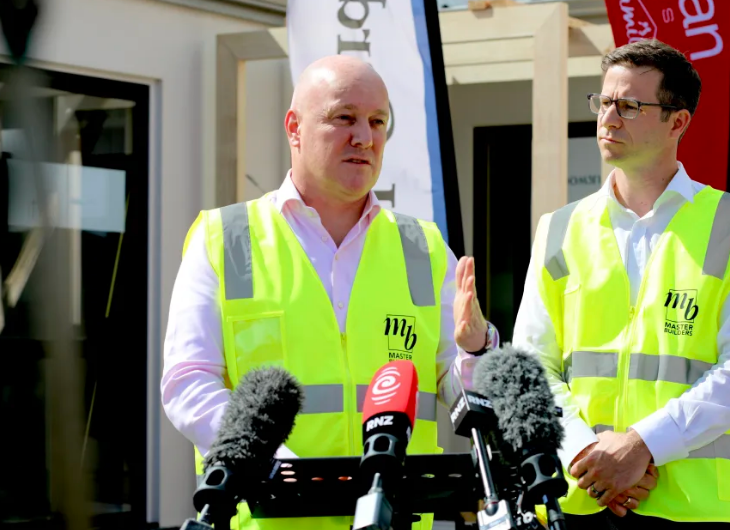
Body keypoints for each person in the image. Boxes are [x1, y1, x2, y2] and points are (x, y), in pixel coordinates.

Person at [161, 55, 498, 530]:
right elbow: (187, 384)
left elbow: (462, 390)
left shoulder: (423, 246)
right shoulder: (224, 238)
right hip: (267, 517)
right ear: (294, 128)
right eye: (344, 117)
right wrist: (278, 466)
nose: (364, 136)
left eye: (377, 121)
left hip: (397, 517)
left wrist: (477, 350)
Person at [512, 39, 730, 529]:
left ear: (678, 122)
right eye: (604, 101)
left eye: (630, 105)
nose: (609, 118)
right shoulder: (558, 228)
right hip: (579, 499)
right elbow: (532, 366)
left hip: (694, 509)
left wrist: (642, 446)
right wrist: (592, 458)